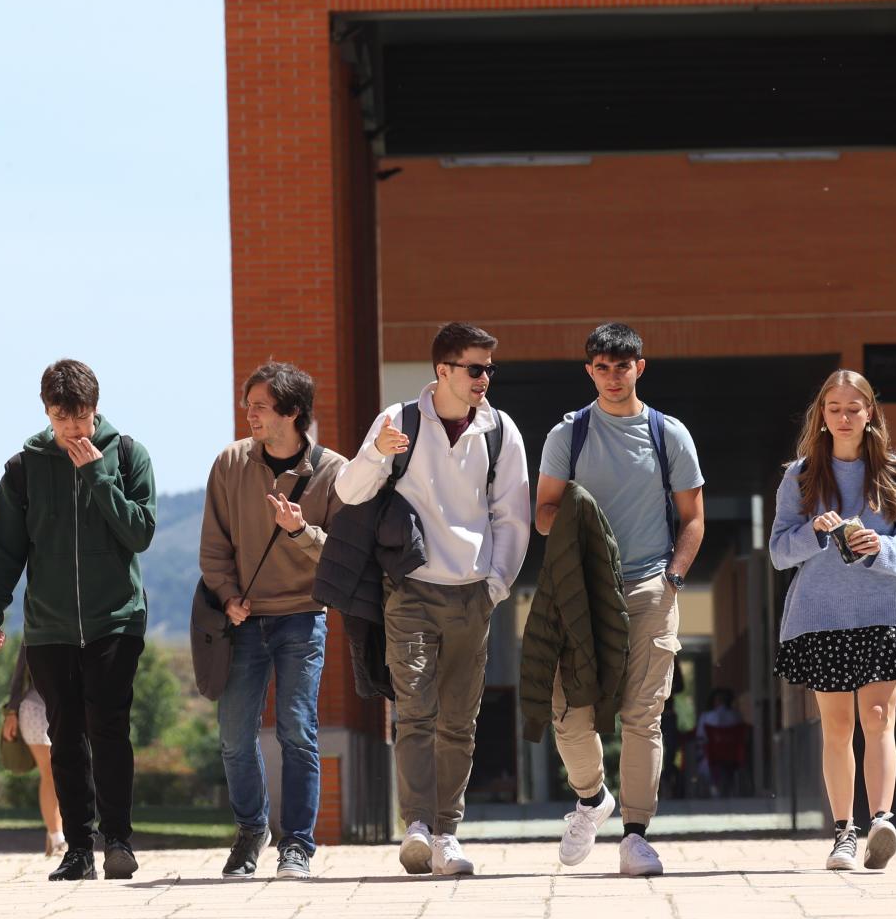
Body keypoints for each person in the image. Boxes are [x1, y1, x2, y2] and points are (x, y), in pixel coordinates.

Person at [335, 322, 531, 876]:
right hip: (411, 590)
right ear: (442, 370)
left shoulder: (501, 431)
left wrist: (495, 585)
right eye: (475, 368)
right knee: (415, 711)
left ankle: (448, 832)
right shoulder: (398, 421)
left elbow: (511, 516)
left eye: (490, 369)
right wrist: (376, 454)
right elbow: (349, 492)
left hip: (473, 594)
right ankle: (417, 826)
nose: (484, 379)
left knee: (460, 721)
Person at [534, 323, 706, 877]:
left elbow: (693, 520)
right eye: (602, 366)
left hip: (649, 587)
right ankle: (590, 799)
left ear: (640, 367)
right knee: (569, 714)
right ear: (589, 371)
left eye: (623, 365)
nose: (613, 376)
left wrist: (673, 580)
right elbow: (543, 515)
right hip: (580, 592)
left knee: (643, 716)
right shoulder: (569, 435)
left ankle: (635, 835)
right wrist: (578, 518)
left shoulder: (668, 434)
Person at [0, 358, 157, 881]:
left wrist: (98, 475)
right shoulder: (23, 467)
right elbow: (4, 551)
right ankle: (78, 848)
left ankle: (118, 841)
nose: (73, 429)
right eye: (62, 418)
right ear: (47, 413)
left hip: (116, 620)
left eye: (80, 418)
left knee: (109, 727)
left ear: (95, 409)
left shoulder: (127, 455)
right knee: (65, 734)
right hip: (50, 627)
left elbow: (140, 533)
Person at [769, 369, 896, 872]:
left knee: (879, 718)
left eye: (853, 408)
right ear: (822, 415)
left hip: (881, 613)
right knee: (837, 727)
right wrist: (816, 533)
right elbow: (778, 550)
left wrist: (879, 545)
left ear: (870, 414)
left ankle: (882, 820)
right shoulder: (799, 476)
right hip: (820, 617)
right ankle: (844, 832)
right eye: (835, 408)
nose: (844, 417)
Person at [200, 362, 347, 880]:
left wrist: (300, 530)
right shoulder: (229, 463)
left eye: (260, 405)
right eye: (248, 405)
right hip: (243, 621)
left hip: (302, 619)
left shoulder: (333, 471)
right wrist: (228, 595)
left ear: (292, 412)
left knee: (296, 730)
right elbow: (214, 547)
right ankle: (249, 832)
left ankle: (298, 847)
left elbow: (344, 560)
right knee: (234, 736)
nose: (250, 414)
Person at [2, 645, 65, 856]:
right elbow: (19, 674)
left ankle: (57, 830)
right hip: (36, 707)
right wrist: (11, 712)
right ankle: (57, 838)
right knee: (51, 772)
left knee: (67, 772)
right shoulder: (35, 624)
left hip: (68, 706)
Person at [697, 687, 747, 798]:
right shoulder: (736, 716)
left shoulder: (706, 717)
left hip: (713, 756)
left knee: (702, 762)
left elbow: (701, 737)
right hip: (734, 755)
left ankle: (714, 787)